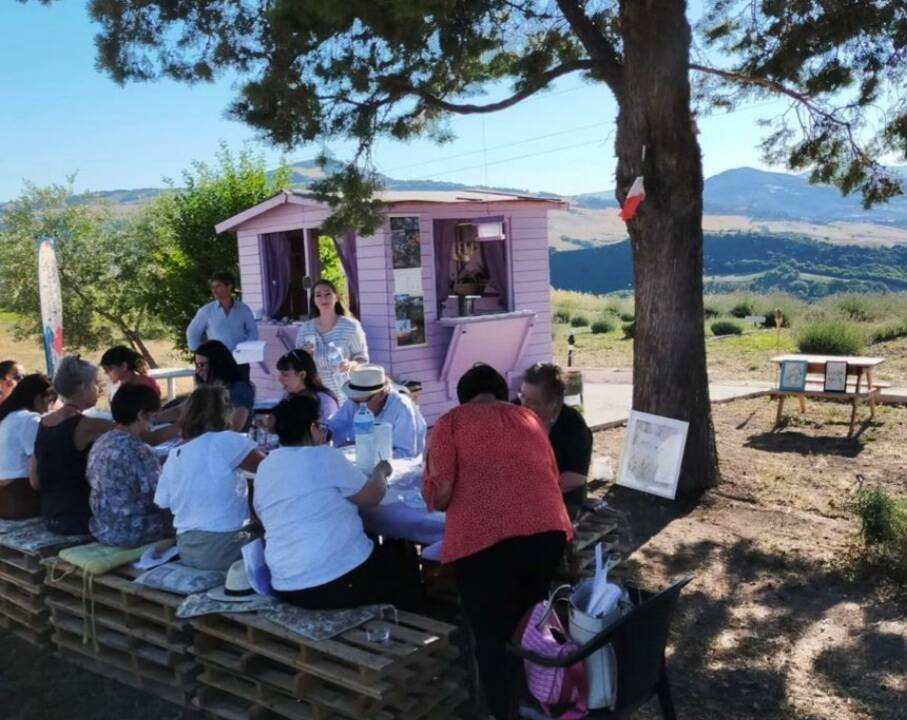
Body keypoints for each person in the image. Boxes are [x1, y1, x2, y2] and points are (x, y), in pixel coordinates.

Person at [422, 364, 573, 720]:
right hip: (546, 532)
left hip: (484, 541)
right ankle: (542, 695)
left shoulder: (452, 421)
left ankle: (502, 712)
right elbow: (549, 476)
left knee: (490, 637)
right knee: (530, 621)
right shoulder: (530, 419)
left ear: (464, 398)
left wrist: (427, 480)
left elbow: (441, 494)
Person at [254, 394, 400, 609]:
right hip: (334, 582)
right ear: (312, 428)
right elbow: (372, 496)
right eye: (322, 426)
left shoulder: (266, 465)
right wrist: (381, 471)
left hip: (286, 584)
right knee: (399, 556)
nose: (324, 432)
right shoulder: (325, 457)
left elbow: (262, 515)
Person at [154, 385, 263, 570]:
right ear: (225, 412)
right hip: (223, 546)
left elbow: (162, 502)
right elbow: (269, 469)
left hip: (187, 547)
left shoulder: (174, 455)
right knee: (270, 534)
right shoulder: (225, 441)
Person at [32, 356, 117, 535]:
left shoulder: (44, 422)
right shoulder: (87, 425)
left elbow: (35, 481)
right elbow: (136, 434)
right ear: (81, 386)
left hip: (50, 514)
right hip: (80, 516)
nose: (99, 389)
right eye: (95, 383)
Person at [87, 383, 172, 548]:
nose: (153, 422)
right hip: (132, 531)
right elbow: (159, 497)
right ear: (141, 415)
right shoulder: (138, 450)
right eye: (153, 416)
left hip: (103, 526)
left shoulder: (101, 441)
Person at [520, 362, 594, 520]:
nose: (524, 406)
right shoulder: (514, 411)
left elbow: (576, 478)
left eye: (532, 402)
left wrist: (532, 490)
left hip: (562, 497)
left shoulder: (574, 426)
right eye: (522, 396)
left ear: (554, 404)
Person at [328, 365, 426, 459]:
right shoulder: (355, 402)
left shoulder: (402, 408)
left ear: (381, 394)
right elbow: (333, 426)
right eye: (355, 401)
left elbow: (406, 455)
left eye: (363, 402)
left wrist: (366, 453)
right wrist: (323, 432)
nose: (358, 408)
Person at [294, 279, 368, 400]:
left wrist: (351, 364)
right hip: (317, 394)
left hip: (346, 392)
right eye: (318, 295)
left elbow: (362, 357)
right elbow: (296, 363)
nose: (324, 298)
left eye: (328, 294)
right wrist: (303, 354)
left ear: (336, 297)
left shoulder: (350, 326)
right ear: (313, 300)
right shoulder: (305, 329)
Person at [0, 374, 56, 519]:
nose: (49, 409)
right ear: (38, 398)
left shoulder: (8, 416)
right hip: (20, 496)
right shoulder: (30, 420)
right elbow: (36, 470)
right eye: (49, 402)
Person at [186, 271, 258, 353]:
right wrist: (200, 353)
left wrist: (245, 349)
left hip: (240, 360)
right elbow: (192, 332)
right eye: (212, 287)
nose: (214, 290)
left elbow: (253, 332)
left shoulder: (243, 309)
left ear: (229, 286)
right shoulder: (206, 311)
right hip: (217, 360)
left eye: (218, 286)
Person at [194, 340, 256, 432]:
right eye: (197, 365)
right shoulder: (207, 388)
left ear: (217, 364)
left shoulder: (239, 388)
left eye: (202, 365)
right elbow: (185, 408)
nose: (198, 371)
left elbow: (235, 427)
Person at [276, 348, 339, 420]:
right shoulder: (287, 397)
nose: (280, 379)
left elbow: (331, 429)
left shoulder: (325, 402)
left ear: (302, 375)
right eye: (280, 374)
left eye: (285, 375)